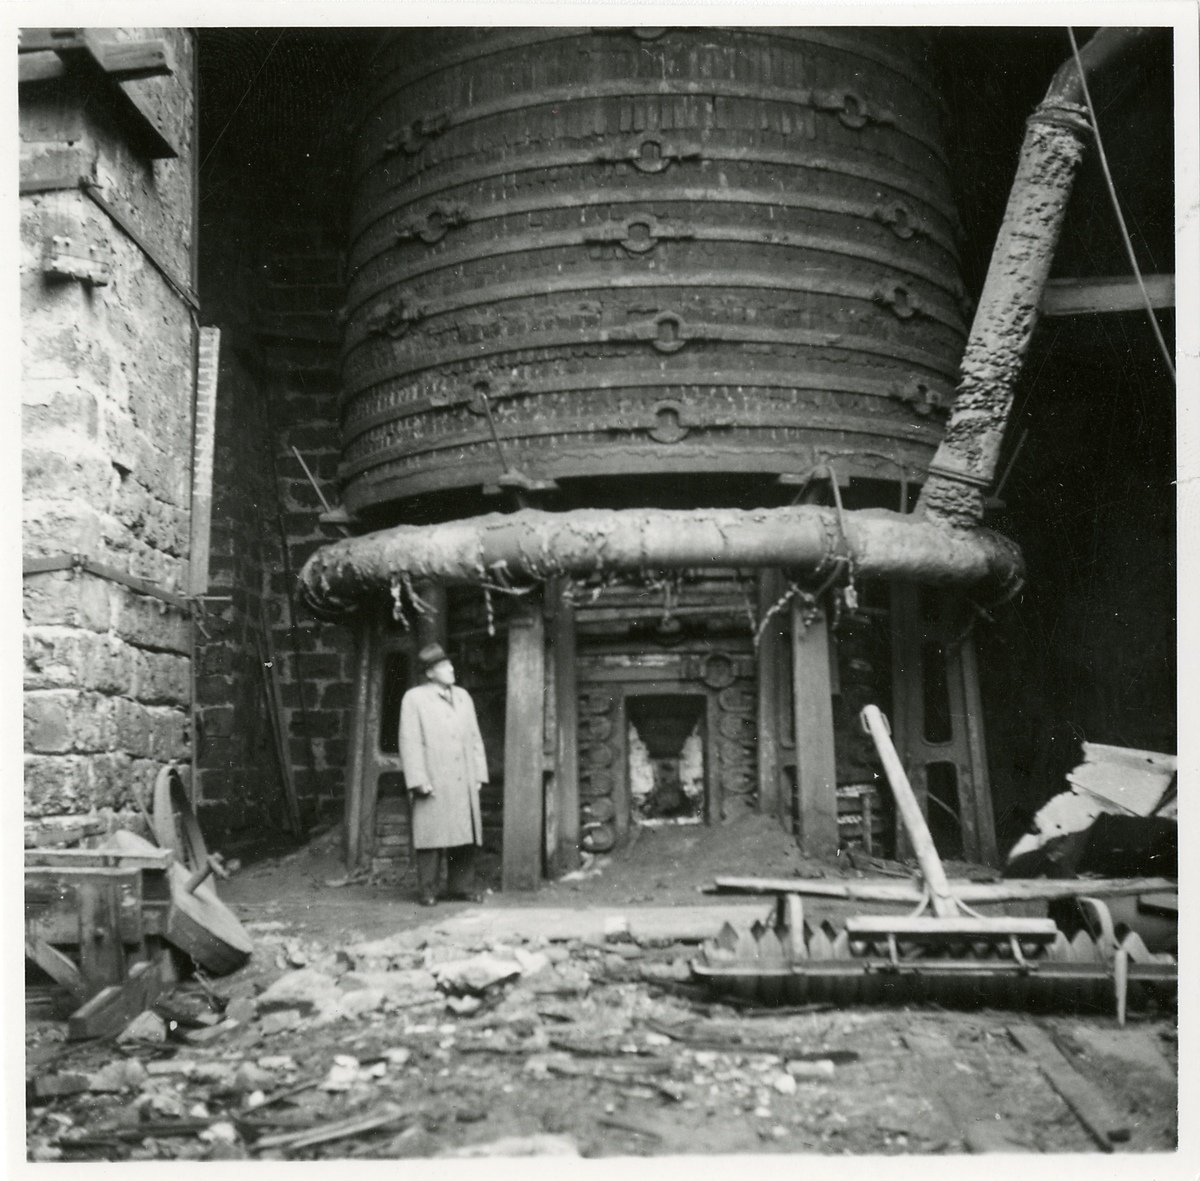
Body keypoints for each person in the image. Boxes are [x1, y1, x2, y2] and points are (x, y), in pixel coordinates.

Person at [398, 643, 488, 905]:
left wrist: (479, 774)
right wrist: (418, 779)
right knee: (431, 835)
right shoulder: (414, 698)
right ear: (430, 673)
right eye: (443, 666)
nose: (450, 669)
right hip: (434, 776)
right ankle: (428, 890)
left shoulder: (463, 696)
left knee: (464, 833)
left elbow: (475, 737)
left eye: (450, 664)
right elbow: (409, 741)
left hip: (464, 776)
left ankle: (461, 887)